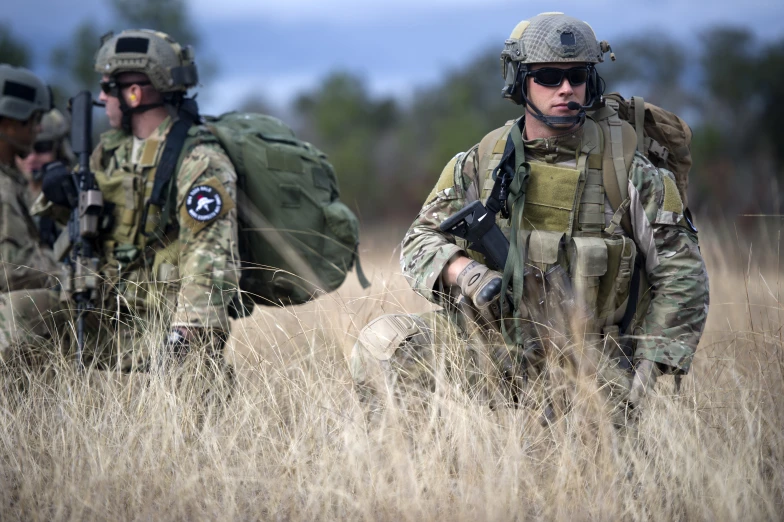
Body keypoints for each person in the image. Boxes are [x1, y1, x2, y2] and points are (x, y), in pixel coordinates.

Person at [349, 13, 709, 418]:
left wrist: (644, 376)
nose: (567, 89)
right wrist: (466, 273)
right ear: (520, 81)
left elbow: (683, 277)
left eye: (578, 76)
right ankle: (404, 466)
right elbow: (419, 241)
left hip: (595, 362)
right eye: (549, 77)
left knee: (596, 453)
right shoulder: (482, 161)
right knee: (385, 343)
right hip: (492, 348)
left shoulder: (630, 171)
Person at [15, 30, 240, 382]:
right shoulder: (111, 151)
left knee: (186, 392)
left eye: (108, 87)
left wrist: (181, 341)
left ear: (134, 93)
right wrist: (60, 194)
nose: (102, 98)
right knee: (12, 317)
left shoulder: (200, 160)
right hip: (103, 312)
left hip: (165, 325)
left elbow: (209, 262)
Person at [0, 64, 60, 362]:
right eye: (32, 120)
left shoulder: (11, 179)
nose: (38, 128)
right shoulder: (3, 187)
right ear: (9, 121)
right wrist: (66, 275)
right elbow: (9, 269)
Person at [15, 108, 74, 249]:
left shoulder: (71, 195)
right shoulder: (7, 193)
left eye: (42, 148)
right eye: (24, 149)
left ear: (58, 150)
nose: (32, 157)